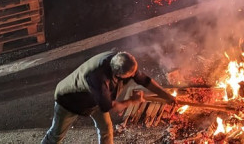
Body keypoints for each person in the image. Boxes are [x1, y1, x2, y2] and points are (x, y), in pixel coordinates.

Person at [42, 50, 177, 144]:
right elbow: (109, 106)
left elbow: (144, 80)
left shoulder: (121, 60)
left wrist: (168, 97)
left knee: (106, 129)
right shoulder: (98, 78)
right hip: (69, 100)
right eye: (130, 76)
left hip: (95, 101)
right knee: (56, 135)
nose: (134, 76)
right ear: (118, 74)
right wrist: (133, 101)